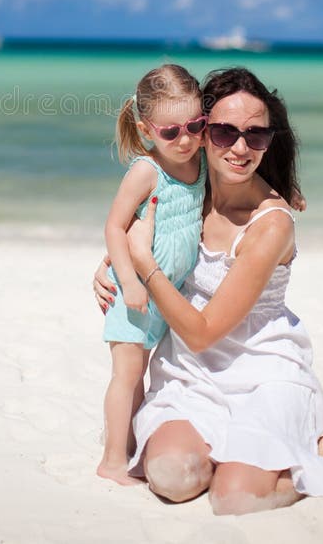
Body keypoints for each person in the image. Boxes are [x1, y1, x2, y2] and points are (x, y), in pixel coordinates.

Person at [95, 66, 323, 513]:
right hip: (191, 375)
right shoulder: (192, 191)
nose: (240, 148)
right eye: (223, 132)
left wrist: (144, 265)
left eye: (255, 136)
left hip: (261, 372)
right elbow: (147, 232)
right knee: (171, 478)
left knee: (233, 499)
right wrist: (111, 265)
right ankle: (231, 455)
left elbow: (201, 331)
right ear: (202, 132)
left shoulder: (270, 225)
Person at [98, 64, 208, 485]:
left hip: (166, 294)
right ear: (146, 129)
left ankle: (132, 449)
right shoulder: (147, 171)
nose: (185, 139)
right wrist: (126, 280)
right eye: (170, 132)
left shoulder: (199, 160)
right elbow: (114, 226)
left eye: (195, 126)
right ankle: (111, 460)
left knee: (144, 378)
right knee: (126, 377)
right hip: (135, 296)